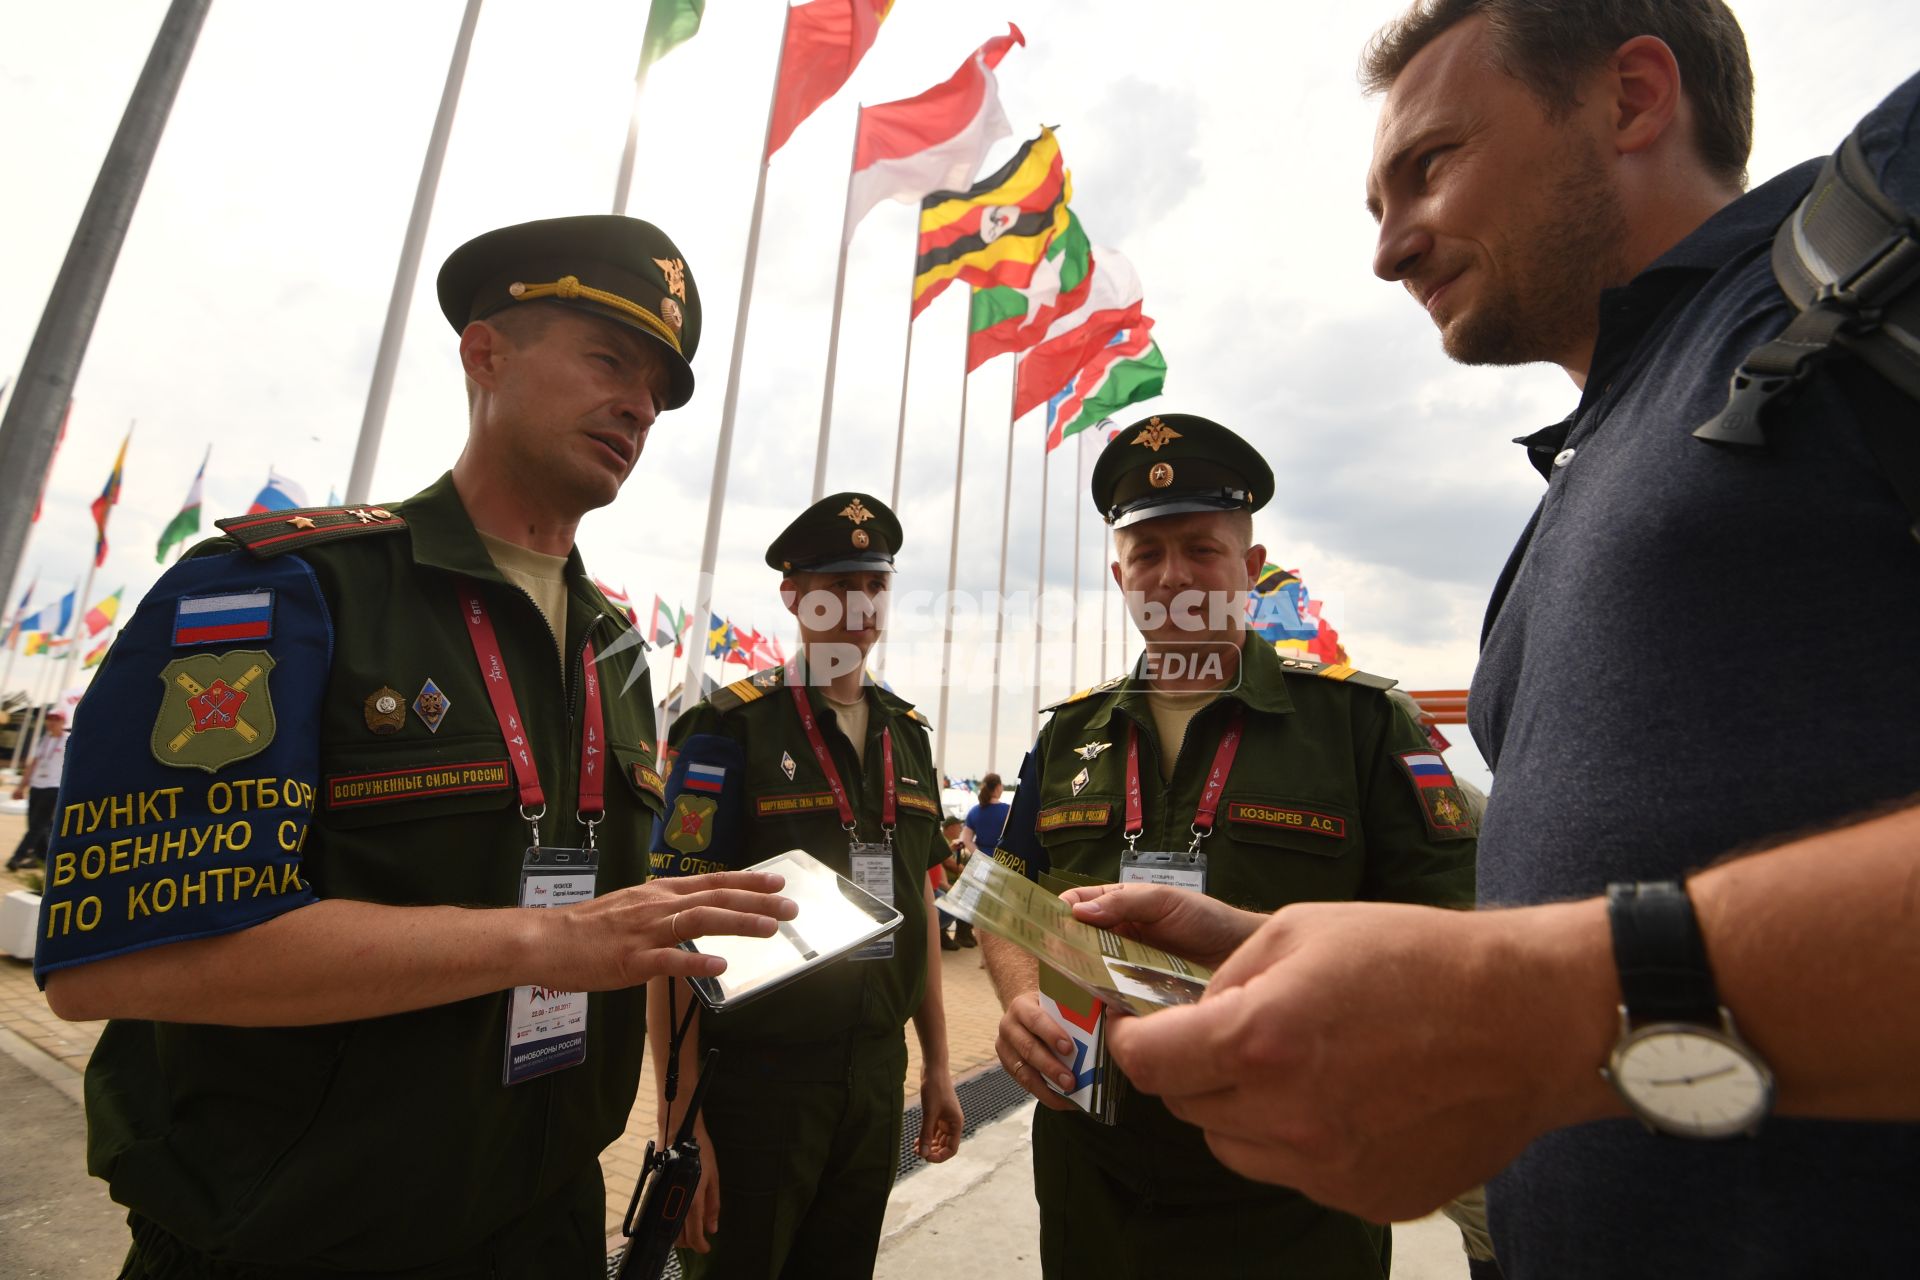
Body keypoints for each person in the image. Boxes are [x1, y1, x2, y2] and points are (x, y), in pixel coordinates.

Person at [1079, 8, 1920, 1279]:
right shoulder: (1593, 464)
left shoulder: (1875, 258)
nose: (1387, 248)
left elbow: (1538, 978)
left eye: (1431, 165)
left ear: (1634, 98)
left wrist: (1541, 1009)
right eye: (1374, 200)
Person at [33, 214, 800, 1278]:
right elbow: (119, 958)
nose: (638, 403)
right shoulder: (283, 590)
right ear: (485, 353)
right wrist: (543, 945)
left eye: (660, 390)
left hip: (545, 1229)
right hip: (295, 1241)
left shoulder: (619, 650)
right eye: (609, 359)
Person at [983, 413, 1477, 1279]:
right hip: (1092, 1169)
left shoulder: (1359, 725)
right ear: (1120, 575)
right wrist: (1021, 1000)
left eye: (1201, 549)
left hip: (1293, 1182)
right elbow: (1001, 897)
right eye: (1147, 554)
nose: (1173, 576)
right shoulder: (1069, 735)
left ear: (1249, 569)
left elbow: (1456, 932)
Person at [648, 491, 964, 1279]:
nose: (858, 607)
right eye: (836, 585)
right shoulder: (729, 728)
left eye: (873, 585)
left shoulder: (907, 735)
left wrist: (937, 1064)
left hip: (872, 1075)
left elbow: (918, 904)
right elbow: (672, 925)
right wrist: (679, 1120)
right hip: (758, 1081)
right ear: (795, 596)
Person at [6, 706, 68, 870]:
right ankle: (43, 858)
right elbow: (33, 764)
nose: (52, 722)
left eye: (56, 719)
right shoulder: (43, 740)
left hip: (53, 787)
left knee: (37, 825)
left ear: (63, 722)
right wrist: (21, 786)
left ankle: (17, 858)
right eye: (50, 719)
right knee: (37, 824)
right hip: (37, 786)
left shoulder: (68, 741)